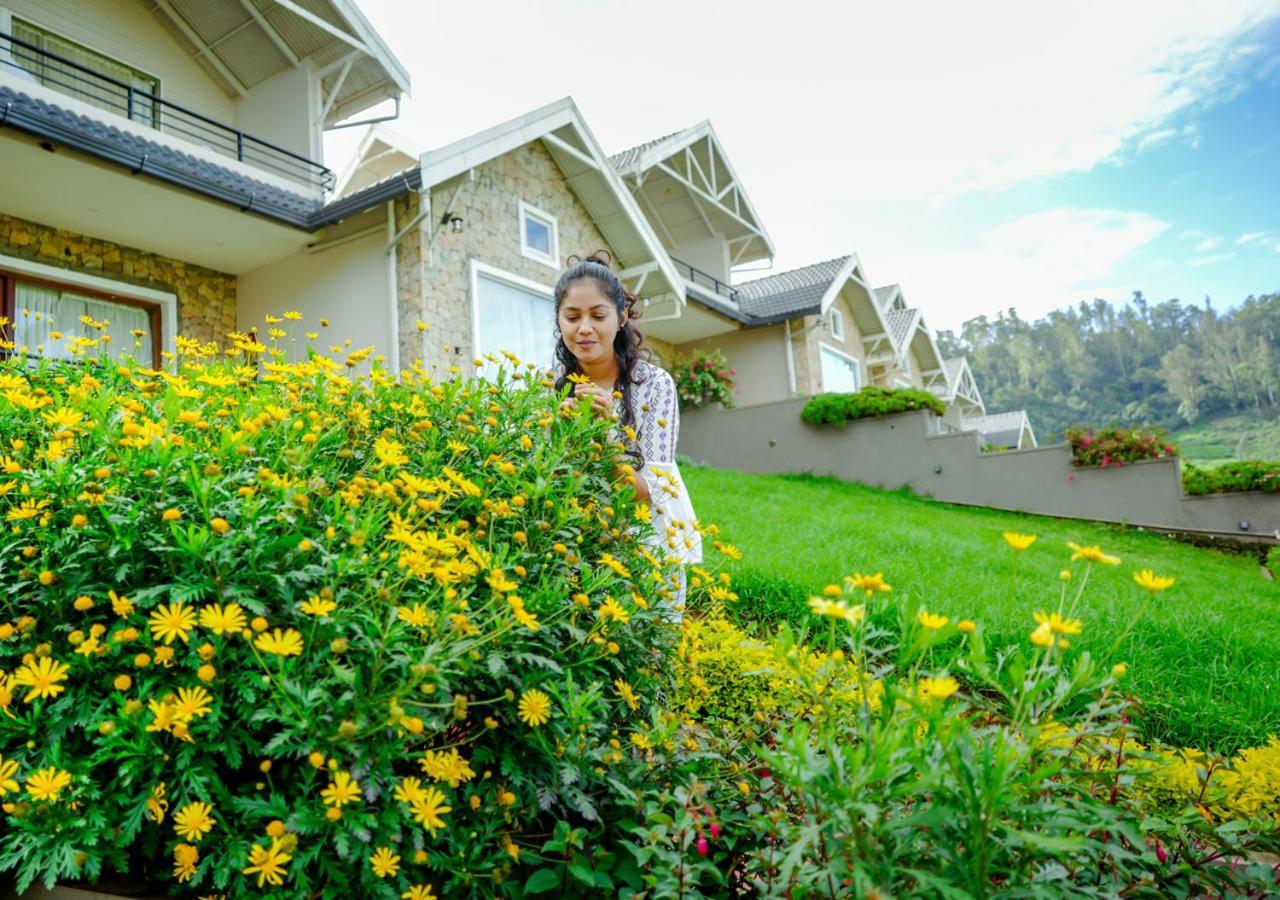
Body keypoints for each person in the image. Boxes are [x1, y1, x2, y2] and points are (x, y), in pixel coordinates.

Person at [552, 251, 702, 617]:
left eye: (598, 316)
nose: (584, 328)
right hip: (573, 548)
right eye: (572, 317)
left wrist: (606, 432)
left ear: (621, 318)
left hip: (647, 550)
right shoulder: (551, 386)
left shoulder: (654, 385)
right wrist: (559, 434)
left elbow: (643, 493)